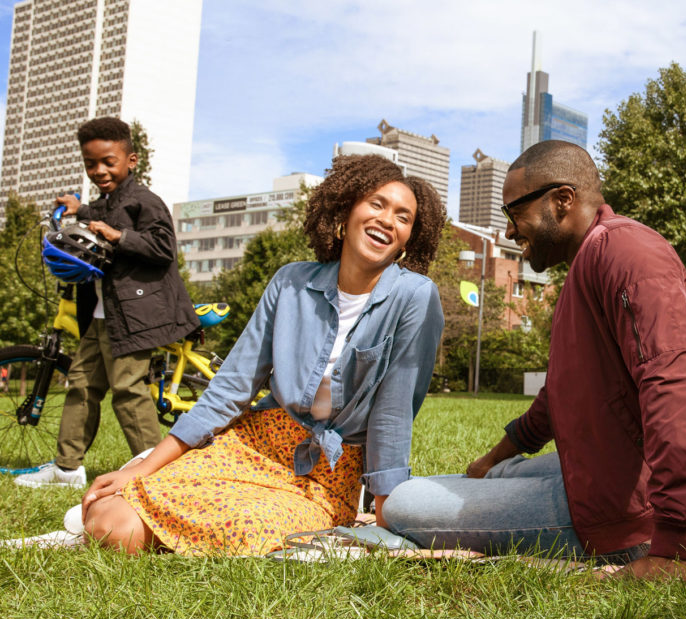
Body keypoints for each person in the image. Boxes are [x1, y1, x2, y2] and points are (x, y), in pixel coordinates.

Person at [383, 140, 686, 580]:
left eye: (514, 213)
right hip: (615, 468)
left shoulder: (629, 254)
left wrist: (673, 544)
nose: (510, 231)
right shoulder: (586, 265)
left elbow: (676, 390)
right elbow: (560, 395)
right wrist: (494, 459)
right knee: (463, 482)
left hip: (640, 509)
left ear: (562, 200)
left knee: (403, 502)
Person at [78, 154, 445, 556]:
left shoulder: (414, 297)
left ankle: (178, 522)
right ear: (346, 210)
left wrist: (384, 521)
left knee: (243, 529)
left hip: (326, 475)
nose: (387, 220)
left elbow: (392, 415)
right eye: (376, 204)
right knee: (110, 521)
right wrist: (145, 469)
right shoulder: (290, 281)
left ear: (410, 238)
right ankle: (156, 478)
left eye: (403, 217)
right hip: (257, 442)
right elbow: (230, 387)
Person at [17, 117, 200, 489]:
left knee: (128, 392)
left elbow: (164, 248)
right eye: (90, 163)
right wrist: (78, 209)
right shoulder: (107, 203)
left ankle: (156, 477)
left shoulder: (144, 202)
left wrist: (119, 236)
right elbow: (99, 216)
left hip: (135, 317)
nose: (98, 170)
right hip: (102, 316)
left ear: (131, 160)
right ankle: (67, 470)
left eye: (108, 162)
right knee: (81, 385)